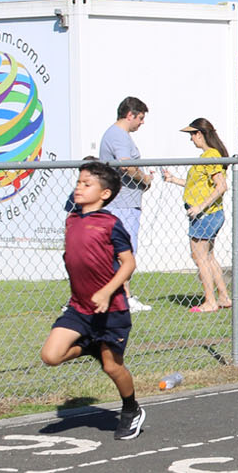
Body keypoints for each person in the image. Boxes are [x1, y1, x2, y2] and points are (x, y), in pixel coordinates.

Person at [39, 159, 144, 441]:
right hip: (79, 307)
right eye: (78, 183)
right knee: (50, 356)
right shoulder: (71, 220)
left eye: (87, 184)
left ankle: (131, 408)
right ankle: (91, 347)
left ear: (105, 194)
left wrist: (108, 290)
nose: (79, 188)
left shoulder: (110, 223)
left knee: (112, 366)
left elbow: (128, 263)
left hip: (111, 310)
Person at [161, 118, 232, 313]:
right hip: (210, 214)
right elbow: (198, 185)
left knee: (199, 257)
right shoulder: (208, 156)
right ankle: (224, 297)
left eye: (192, 134)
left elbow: (221, 186)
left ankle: (210, 301)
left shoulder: (210, 156)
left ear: (200, 134)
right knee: (208, 257)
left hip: (206, 215)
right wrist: (173, 179)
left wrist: (200, 207)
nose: (191, 139)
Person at [99, 96, 153, 312]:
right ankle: (124, 298)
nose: (142, 122)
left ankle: (122, 295)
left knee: (123, 252)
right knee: (125, 252)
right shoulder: (119, 136)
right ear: (129, 115)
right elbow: (125, 165)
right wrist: (145, 179)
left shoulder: (117, 135)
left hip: (125, 203)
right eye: (140, 118)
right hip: (122, 204)